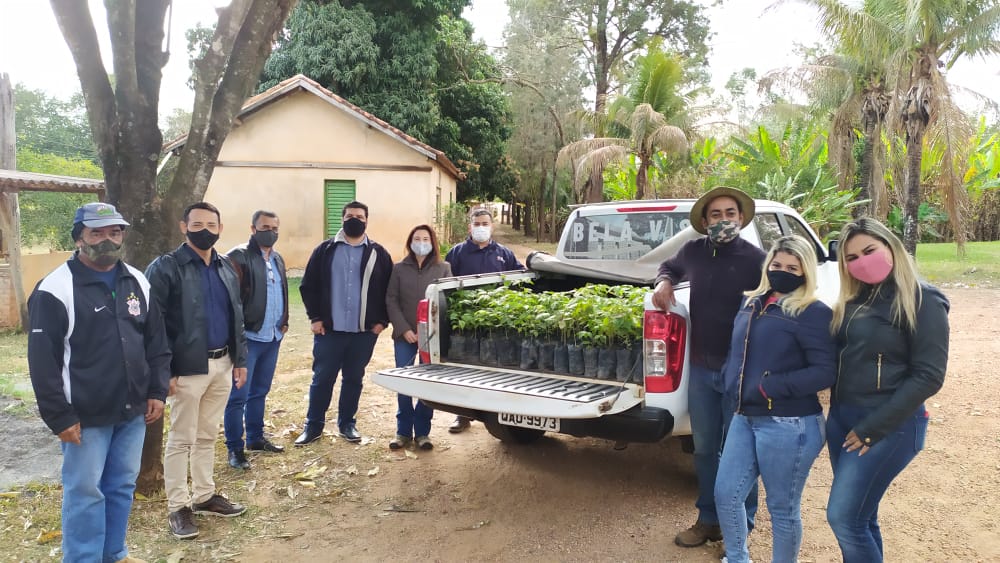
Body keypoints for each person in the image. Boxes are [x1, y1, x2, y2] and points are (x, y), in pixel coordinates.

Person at [27, 202, 171, 563]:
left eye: (115, 232)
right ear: (78, 238)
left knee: (122, 485)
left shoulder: (137, 280)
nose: (107, 240)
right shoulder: (55, 289)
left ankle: (115, 554)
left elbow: (156, 342)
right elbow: (42, 362)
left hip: (133, 410)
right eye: (97, 233)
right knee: (85, 491)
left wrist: (156, 391)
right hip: (85, 416)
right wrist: (59, 416)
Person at [825, 218, 949, 563]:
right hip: (842, 420)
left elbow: (929, 376)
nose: (861, 261)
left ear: (890, 246)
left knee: (844, 518)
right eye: (851, 258)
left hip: (887, 425)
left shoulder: (923, 299)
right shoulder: (855, 298)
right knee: (863, 517)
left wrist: (871, 429)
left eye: (868, 250)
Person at [651, 186, 765, 547]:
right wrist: (663, 282)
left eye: (730, 213)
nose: (724, 220)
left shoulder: (757, 259)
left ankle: (742, 525)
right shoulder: (693, 252)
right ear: (704, 221)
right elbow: (668, 266)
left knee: (740, 451)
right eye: (716, 215)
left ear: (741, 218)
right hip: (701, 369)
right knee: (704, 449)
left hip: (740, 371)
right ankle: (709, 518)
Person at [714, 235, 836, 563]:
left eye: (792, 267)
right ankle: (736, 558)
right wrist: (728, 377)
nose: (782, 271)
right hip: (744, 416)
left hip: (789, 424)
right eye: (777, 264)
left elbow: (825, 371)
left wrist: (770, 386)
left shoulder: (813, 312)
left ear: (805, 271)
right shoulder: (751, 302)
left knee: (782, 510)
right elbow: (736, 349)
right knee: (725, 495)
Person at [145, 202, 249, 540]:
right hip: (186, 368)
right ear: (183, 227)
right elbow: (153, 323)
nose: (204, 229)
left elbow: (236, 314)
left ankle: (204, 495)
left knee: (207, 434)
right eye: (197, 223)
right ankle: (178, 507)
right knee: (181, 438)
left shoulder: (225, 266)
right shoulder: (166, 268)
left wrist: (241, 359)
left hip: (223, 364)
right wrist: (165, 371)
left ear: (220, 228)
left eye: (211, 224)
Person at [295, 201, 393, 446]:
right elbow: (308, 286)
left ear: (366, 220)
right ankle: (313, 426)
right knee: (322, 378)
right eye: (350, 216)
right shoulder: (325, 250)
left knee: (353, 379)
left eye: (359, 216)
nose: (355, 219)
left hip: (363, 333)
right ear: (342, 219)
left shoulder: (378, 254)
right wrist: (315, 318)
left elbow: (389, 291)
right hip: (329, 331)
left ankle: (347, 424)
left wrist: (381, 322)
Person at [444, 207, 523, 433]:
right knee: (463, 366)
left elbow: (520, 275)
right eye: (477, 224)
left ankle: (497, 412)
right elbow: (446, 282)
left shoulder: (504, 254)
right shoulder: (457, 253)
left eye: (484, 224)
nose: (480, 228)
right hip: (464, 320)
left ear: (492, 226)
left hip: (495, 320)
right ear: (470, 226)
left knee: (494, 366)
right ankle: (462, 415)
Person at [223, 210, 289, 470]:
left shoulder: (279, 259)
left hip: (272, 336)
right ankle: (235, 449)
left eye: (274, 227)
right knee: (238, 396)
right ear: (252, 228)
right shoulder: (238, 257)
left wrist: (283, 323)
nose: (270, 231)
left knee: (260, 391)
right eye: (264, 227)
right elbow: (230, 300)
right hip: (248, 338)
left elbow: (283, 290)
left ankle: (255, 437)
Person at [386, 224, 452, 450]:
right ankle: (402, 431)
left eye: (426, 238)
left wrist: (431, 332)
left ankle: (423, 432)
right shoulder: (398, 269)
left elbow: (447, 302)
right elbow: (391, 300)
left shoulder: (443, 268)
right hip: (405, 336)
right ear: (410, 242)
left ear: (433, 242)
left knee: (427, 385)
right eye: (417, 238)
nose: (421, 242)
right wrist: (404, 329)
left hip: (431, 338)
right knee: (404, 383)